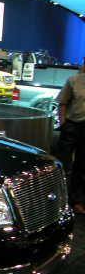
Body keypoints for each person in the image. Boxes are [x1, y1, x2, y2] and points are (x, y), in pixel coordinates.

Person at [56, 59, 85, 214]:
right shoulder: (73, 80)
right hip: (72, 126)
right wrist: (63, 123)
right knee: (64, 164)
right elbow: (62, 102)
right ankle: (58, 199)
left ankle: (77, 201)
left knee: (82, 166)